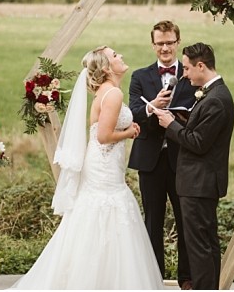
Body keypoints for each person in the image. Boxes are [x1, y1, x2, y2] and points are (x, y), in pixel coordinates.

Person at [12, 47, 161, 289]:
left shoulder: (108, 91)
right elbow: (104, 136)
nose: (121, 56)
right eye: (115, 55)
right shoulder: (113, 94)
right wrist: (130, 132)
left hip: (104, 162)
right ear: (106, 68)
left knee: (99, 212)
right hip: (104, 163)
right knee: (105, 210)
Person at [153, 42, 234, 290]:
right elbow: (202, 132)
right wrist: (185, 121)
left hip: (199, 182)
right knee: (206, 243)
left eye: (187, 68)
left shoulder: (217, 100)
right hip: (200, 182)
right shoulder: (212, 94)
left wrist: (171, 124)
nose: (184, 74)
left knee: (199, 246)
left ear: (201, 65)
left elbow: (198, 143)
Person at [128, 20, 194, 289]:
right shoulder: (140, 77)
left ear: (177, 42)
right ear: (153, 45)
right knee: (153, 220)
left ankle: (186, 277)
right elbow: (130, 114)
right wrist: (151, 106)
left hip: (183, 158)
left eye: (169, 42)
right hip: (150, 159)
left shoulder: (191, 75)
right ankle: (153, 276)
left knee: (185, 219)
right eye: (160, 43)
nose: (165, 48)